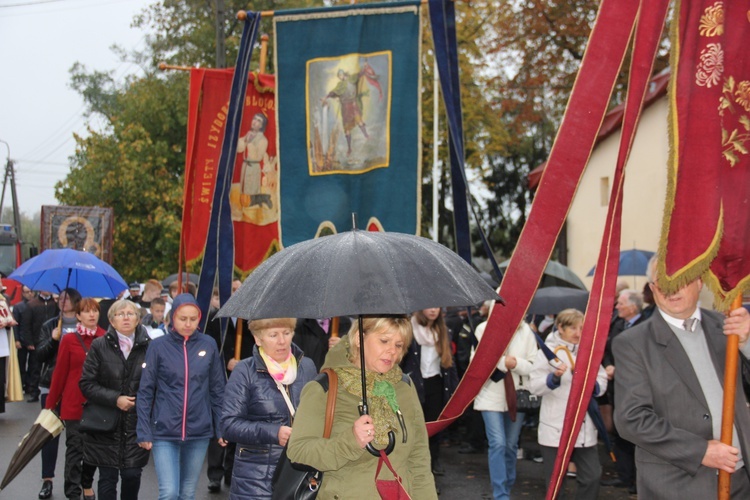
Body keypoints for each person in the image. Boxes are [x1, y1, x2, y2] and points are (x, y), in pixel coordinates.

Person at [613, 256, 750, 498]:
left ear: (699, 282)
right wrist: (700, 451)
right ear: (653, 289)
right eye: (662, 282)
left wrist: (747, 344)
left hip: (740, 481)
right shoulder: (633, 343)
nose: (671, 289)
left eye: (681, 279)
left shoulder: (728, 328)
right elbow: (631, 419)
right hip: (678, 486)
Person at [287, 316, 437, 499]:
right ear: (359, 338)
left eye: (399, 345)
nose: (392, 351)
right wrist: (350, 442)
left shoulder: (404, 386)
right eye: (384, 341)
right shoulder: (325, 387)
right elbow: (298, 452)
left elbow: (419, 459)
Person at [137, 293, 226, 500]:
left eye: (193, 319)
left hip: (199, 430)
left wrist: (221, 426)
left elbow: (217, 389)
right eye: (182, 318)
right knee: (169, 493)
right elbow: (145, 391)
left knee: (187, 493)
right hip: (164, 430)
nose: (188, 324)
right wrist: (143, 429)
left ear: (199, 319)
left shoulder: (208, 344)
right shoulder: (158, 347)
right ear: (172, 318)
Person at [220, 317, 317, 498]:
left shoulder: (307, 367)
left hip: (299, 473)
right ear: (258, 339)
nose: (282, 341)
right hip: (256, 480)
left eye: (287, 333)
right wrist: (274, 432)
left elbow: (318, 414)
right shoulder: (245, 371)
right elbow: (228, 425)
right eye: (273, 335)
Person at [528, 308, 608, 499]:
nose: (578, 333)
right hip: (555, 426)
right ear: (560, 328)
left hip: (584, 428)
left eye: (581, 328)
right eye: (573, 328)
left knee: (592, 476)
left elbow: (602, 380)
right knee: (556, 483)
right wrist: (554, 378)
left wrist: (590, 382)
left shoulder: (588, 350)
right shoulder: (547, 353)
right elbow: (535, 386)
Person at [79, 299, 151, 500]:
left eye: (131, 313)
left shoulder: (150, 347)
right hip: (106, 422)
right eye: (120, 314)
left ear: (138, 319)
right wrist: (115, 399)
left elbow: (156, 384)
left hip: (136, 422)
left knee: (132, 474)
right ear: (111, 320)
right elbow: (86, 383)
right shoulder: (99, 345)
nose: (126, 317)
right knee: (108, 476)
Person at [45, 298, 105, 500]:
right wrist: (50, 404)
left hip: (98, 404)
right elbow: (60, 374)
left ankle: (86, 484)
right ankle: (72, 492)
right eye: (86, 311)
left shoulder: (106, 338)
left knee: (93, 450)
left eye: (95, 311)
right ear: (78, 316)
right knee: (75, 449)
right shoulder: (69, 340)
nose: (92, 315)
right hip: (73, 404)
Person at [472, 319, 538, 500]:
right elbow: (476, 361)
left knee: (511, 445)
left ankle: (507, 487)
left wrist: (515, 363)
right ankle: (500, 494)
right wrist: (503, 362)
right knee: (498, 443)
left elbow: (534, 365)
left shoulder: (526, 331)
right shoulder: (483, 328)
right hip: (489, 395)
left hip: (517, 395)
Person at [400, 308, 458, 477]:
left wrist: (454, 390)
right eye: (429, 306)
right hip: (414, 384)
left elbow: (450, 364)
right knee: (413, 429)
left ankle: (431, 467)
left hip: (436, 384)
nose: (433, 310)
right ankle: (413, 471)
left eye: (437, 306)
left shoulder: (443, 331)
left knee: (433, 428)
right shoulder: (409, 329)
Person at [35, 288, 80, 500]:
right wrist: (53, 340)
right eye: (60, 297)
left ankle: (75, 483)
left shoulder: (84, 326)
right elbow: (40, 356)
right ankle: (47, 480)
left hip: (77, 388)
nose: (63, 301)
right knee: (49, 436)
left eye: (68, 297)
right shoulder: (50, 325)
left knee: (76, 439)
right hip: (51, 386)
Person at [599, 289, 644, 493]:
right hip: (616, 388)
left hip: (637, 389)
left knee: (637, 433)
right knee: (620, 431)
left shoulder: (646, 327)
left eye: (621, 304)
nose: (617, 307)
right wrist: (608, 365)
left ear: (633, 307)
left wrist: (622, 368)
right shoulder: (617, 324)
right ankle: (624, 475)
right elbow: (607, 349)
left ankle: (638, 480)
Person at [0, 294, 17, 414]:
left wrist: (7, 322)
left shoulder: (2, 301)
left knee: (1, 378)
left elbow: (9, 318)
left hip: (1, 346)